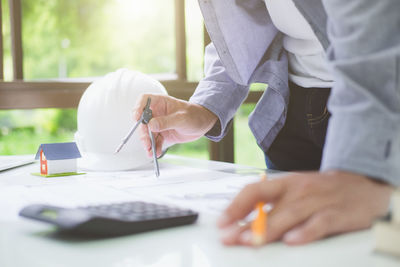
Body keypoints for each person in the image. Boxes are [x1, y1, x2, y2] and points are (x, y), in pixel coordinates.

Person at [133, 0, 400, 246]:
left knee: (376, 246)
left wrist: (356, 168)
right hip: (291, 110)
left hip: (380, 111)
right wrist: (206, 106)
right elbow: (242, 25)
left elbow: (376, 28)